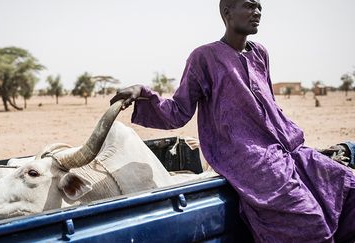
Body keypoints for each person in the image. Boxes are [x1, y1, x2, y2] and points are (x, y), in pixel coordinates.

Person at [110, 0, 355, 242]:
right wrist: (142, 93)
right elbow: (178, 111)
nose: (257, 12)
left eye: (259, 7)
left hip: (289, 149)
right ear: (227, 11)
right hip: (249, 158)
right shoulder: (204, 57)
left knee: (348, 188)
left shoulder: (260, 53)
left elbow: (267, 103)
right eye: (249, 6)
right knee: (308, 222)